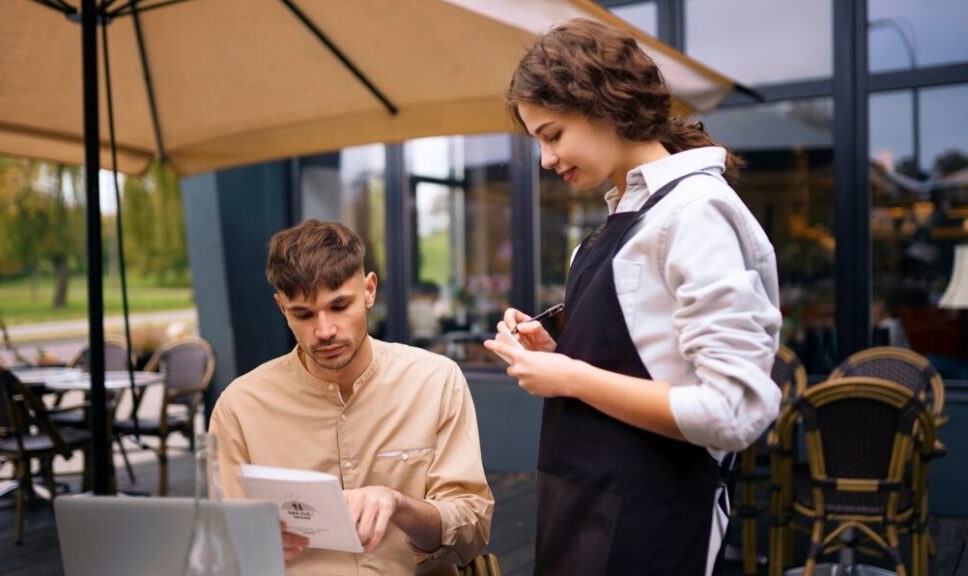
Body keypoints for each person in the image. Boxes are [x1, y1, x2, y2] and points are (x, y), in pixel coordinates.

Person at [484, 18, 782, 576]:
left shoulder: (695, 212)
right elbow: (643, 362)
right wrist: (557, 356)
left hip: (655, 525)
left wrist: (569, 377)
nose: (546, 160)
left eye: (552, 135)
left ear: (601, 105)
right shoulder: (623, 215)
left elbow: (731, 410)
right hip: (582, 508)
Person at [210, 219, 493, 576]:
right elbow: (219, 545)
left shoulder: (435, 381)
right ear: (282, 307)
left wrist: (398, 504)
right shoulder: (240, 407)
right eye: (303, 314)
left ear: (369, 290)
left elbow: (473, 530)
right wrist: (250, 544)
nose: (324, 331)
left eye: (340, 306)